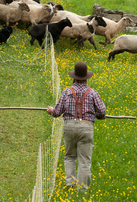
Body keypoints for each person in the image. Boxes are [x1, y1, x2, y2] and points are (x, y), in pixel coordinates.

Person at [47, 61, 106, 192]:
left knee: (69, 156)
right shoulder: (92, 93)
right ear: (86, 78)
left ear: (74, 77)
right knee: (84, 159)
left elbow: (57, 112)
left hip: (69, 126)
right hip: (86, 126)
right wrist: (96, 115)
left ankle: (70, 184)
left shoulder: (67, 92)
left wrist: (51, 111)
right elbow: (102, 112)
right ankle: (82, 189)